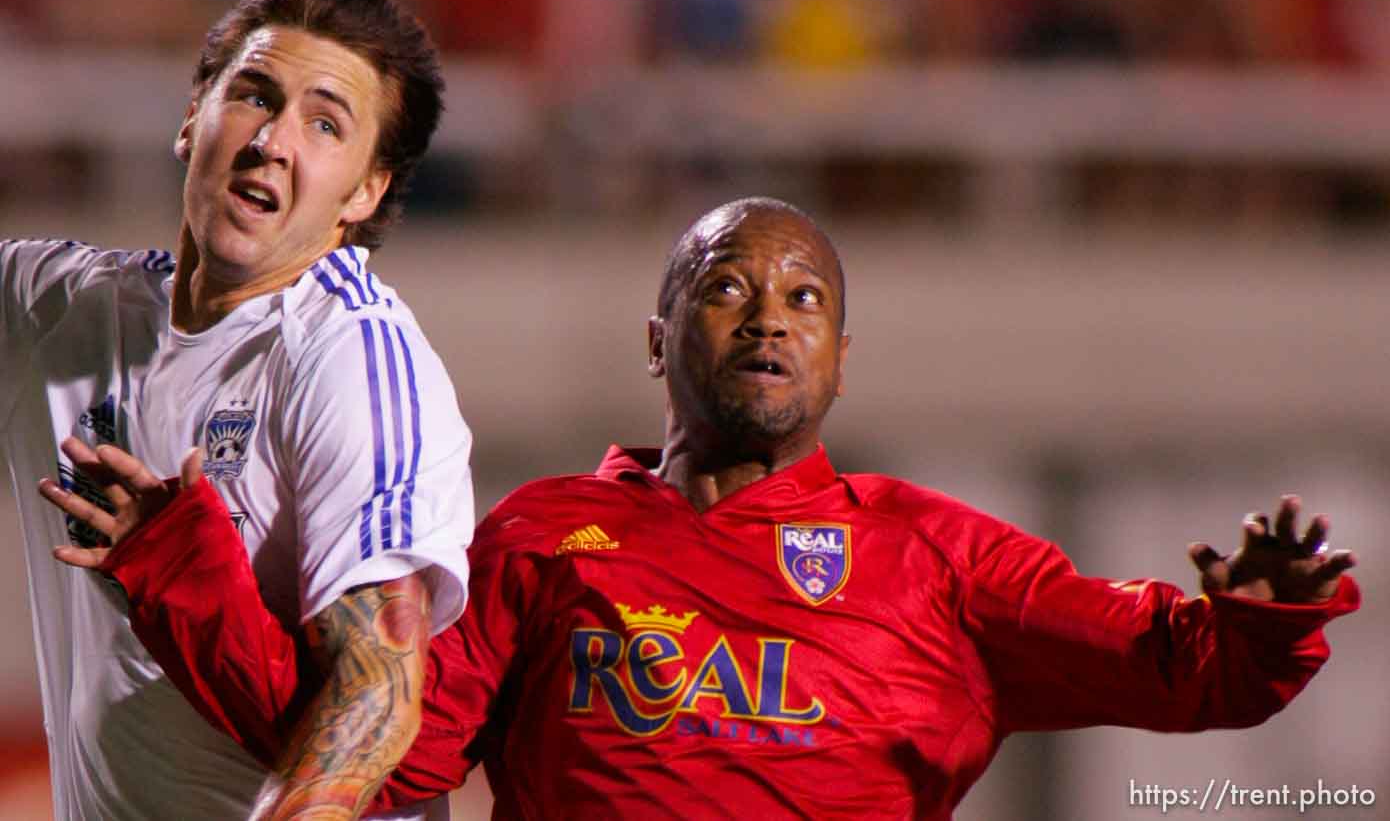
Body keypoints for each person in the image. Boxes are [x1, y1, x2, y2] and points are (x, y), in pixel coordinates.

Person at [43, 197, 1358, 820]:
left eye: (805, 300)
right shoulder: (541, 535)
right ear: (657, 337)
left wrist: (1262, 618)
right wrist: (184, 565)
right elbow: (366, 743)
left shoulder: (938, 555)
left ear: (840, 359)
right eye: (728, 287)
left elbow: (1189, 670)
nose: (768, 317)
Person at [4, 0, 475, 821]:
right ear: (194, 116)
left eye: (325, 124)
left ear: (364, 192)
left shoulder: (350, 356)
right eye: (256, 95)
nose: (273, 141)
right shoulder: (59, 314)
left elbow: (377, 693)